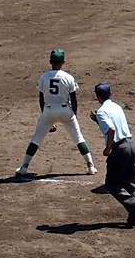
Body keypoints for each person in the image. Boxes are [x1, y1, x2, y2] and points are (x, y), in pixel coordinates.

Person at [16, 48, 97, 176]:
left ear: (50, 62)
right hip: (65, 111)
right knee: (78, 138)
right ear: (64, 62)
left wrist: (45, 115)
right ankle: (90, 167)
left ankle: (24, 167)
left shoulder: (44, 77)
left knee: (36, 139)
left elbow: (41, 99)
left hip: (48, 110)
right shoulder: (68, 77)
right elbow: (74, 99)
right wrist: (74, 115)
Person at [89, 83, 135, 226]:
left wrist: (107, 149)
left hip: (119, 149)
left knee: (112, 184)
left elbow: (111, 129)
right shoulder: (117, 107)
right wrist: (98, 120)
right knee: (129, 184)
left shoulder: (102, 111)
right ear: (110, 93)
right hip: (131, 146)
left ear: (97, 97)